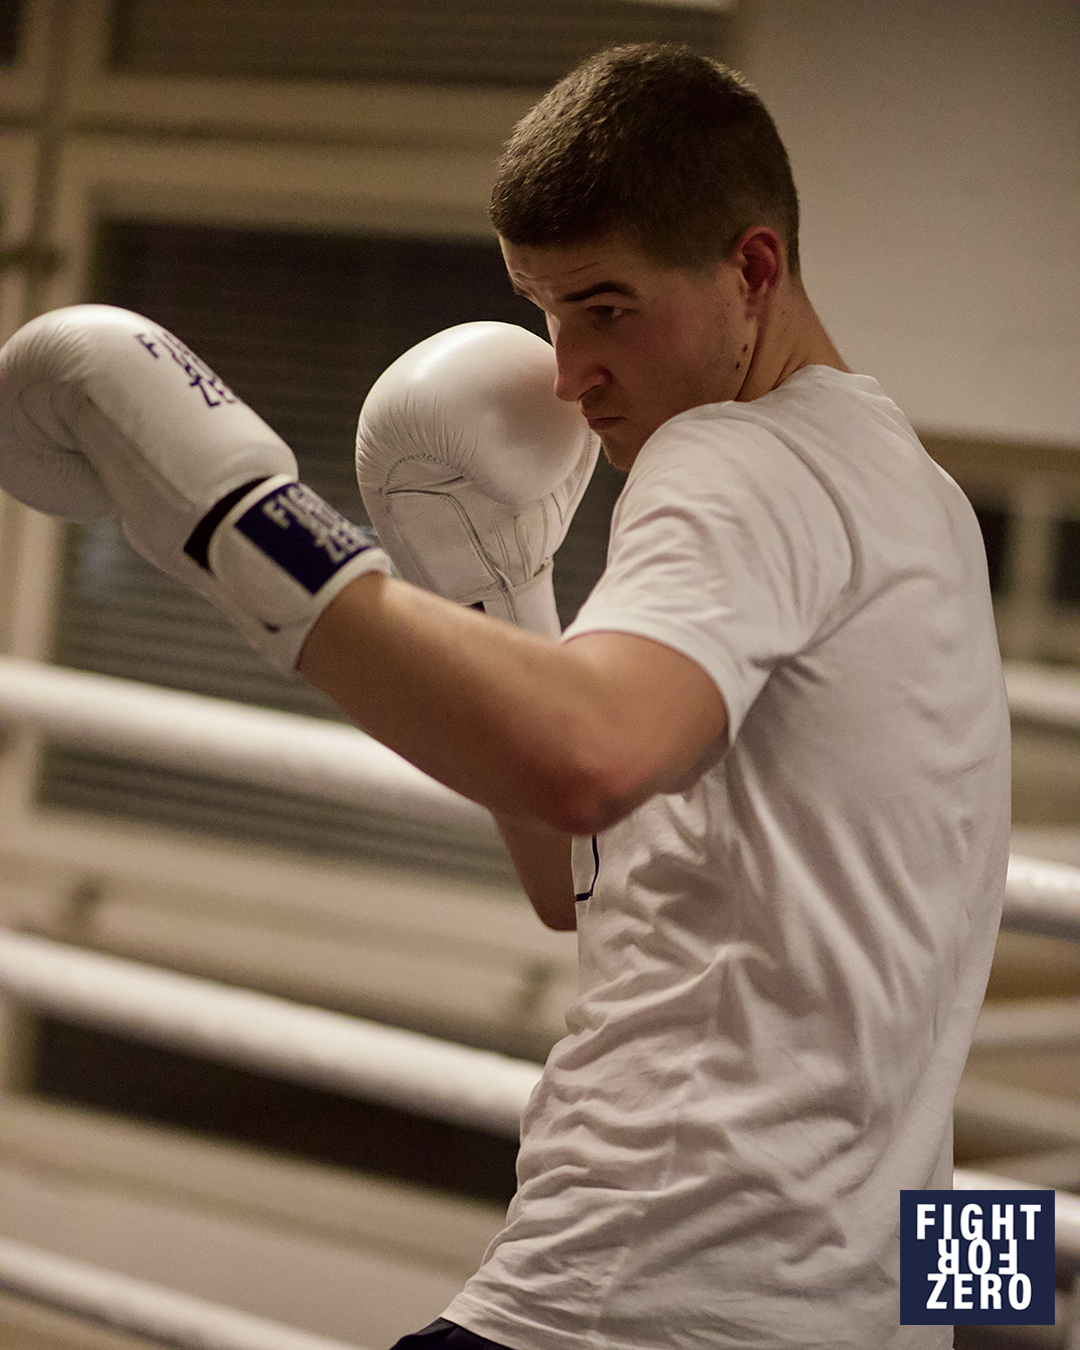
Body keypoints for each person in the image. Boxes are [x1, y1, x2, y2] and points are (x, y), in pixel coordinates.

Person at [0, 42, 1010, 1350]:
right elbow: (585, 883)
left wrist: (235, 522)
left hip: (626, 1296)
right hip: (851, 1316)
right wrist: (500, 591)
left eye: (607, 307)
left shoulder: (733, 461)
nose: (569, 371)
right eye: (546, 311)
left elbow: (584, 762)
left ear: (753, 271)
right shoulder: (923, 497)